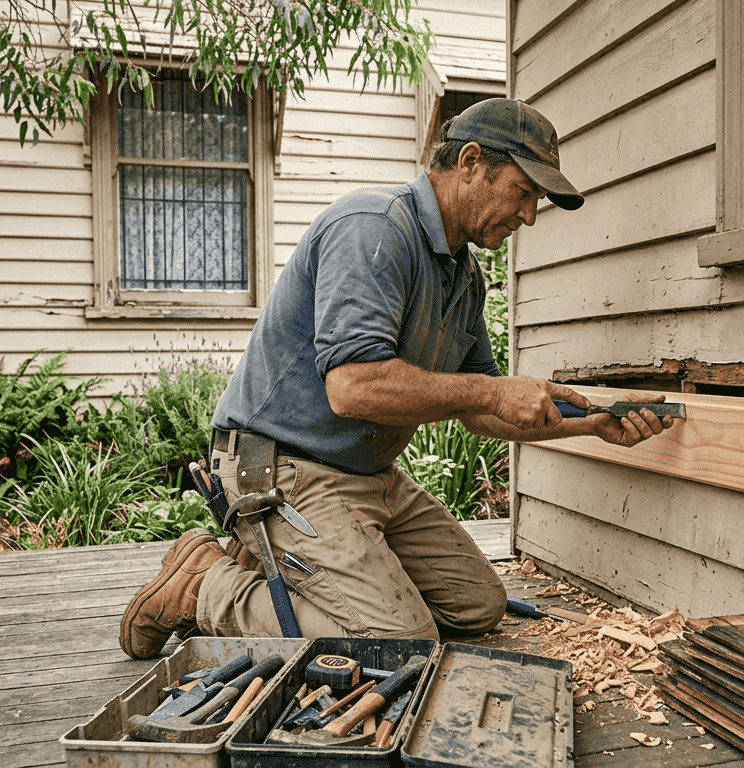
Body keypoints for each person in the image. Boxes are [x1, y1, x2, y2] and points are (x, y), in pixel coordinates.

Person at [118, 98, 673, 658]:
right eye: (524, 192)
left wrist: (592, 425)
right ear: (472, 161)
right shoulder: (373, 229)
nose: (529, 215)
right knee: (396, 640)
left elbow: (481, 410)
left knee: (478, 606)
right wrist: (494, 389)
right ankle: (200, 587)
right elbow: (352, 387)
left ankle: (291, 567)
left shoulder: (463, 275)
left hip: (368, 477)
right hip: (280, 468)